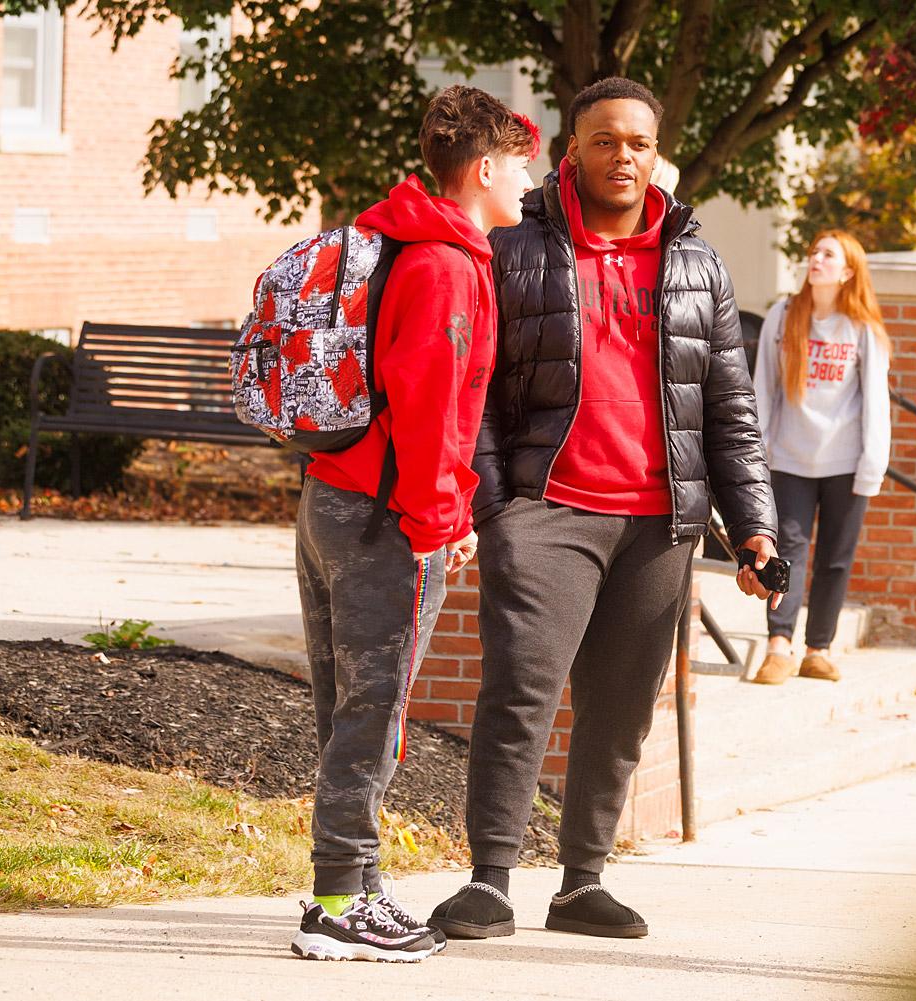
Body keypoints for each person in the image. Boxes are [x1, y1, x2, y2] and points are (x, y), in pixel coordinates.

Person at [427, 76, 782, 942]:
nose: (623, 156)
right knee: (521, 691)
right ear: (571, 151)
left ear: (655, 153)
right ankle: (490, 880)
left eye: (639, 143)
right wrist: (496, 505)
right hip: (548, 506)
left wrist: (755, 528)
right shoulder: (518, 246)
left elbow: (729, 410)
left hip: (661, 523)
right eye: (605, 140)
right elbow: (474, 388)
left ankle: (581, 881)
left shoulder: (696, 261)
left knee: (622, 704)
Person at [288, 85, 537, 962]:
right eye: (519, 162)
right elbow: (434, 407)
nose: (529, 178)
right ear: (482, 169)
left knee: (348, 706)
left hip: (332, 493)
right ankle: (336, 903)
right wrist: (440, 520)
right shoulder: (446, 265)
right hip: (386, 517)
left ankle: (349, 882)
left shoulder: (400, 239)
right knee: (377, 711)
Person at [746, 231, 892, 685]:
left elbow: (875, 403)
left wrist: (872, 466)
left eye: (828, 255)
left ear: (848, 271)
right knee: (784, 552)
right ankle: (778, 644)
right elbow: (762, 391)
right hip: (788, 460)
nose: (817, 259)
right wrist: (758, 456)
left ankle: (818, 648)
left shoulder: (862, 328)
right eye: (814, 252)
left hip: (846, 464)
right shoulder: (783, 316)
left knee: (835, 558)